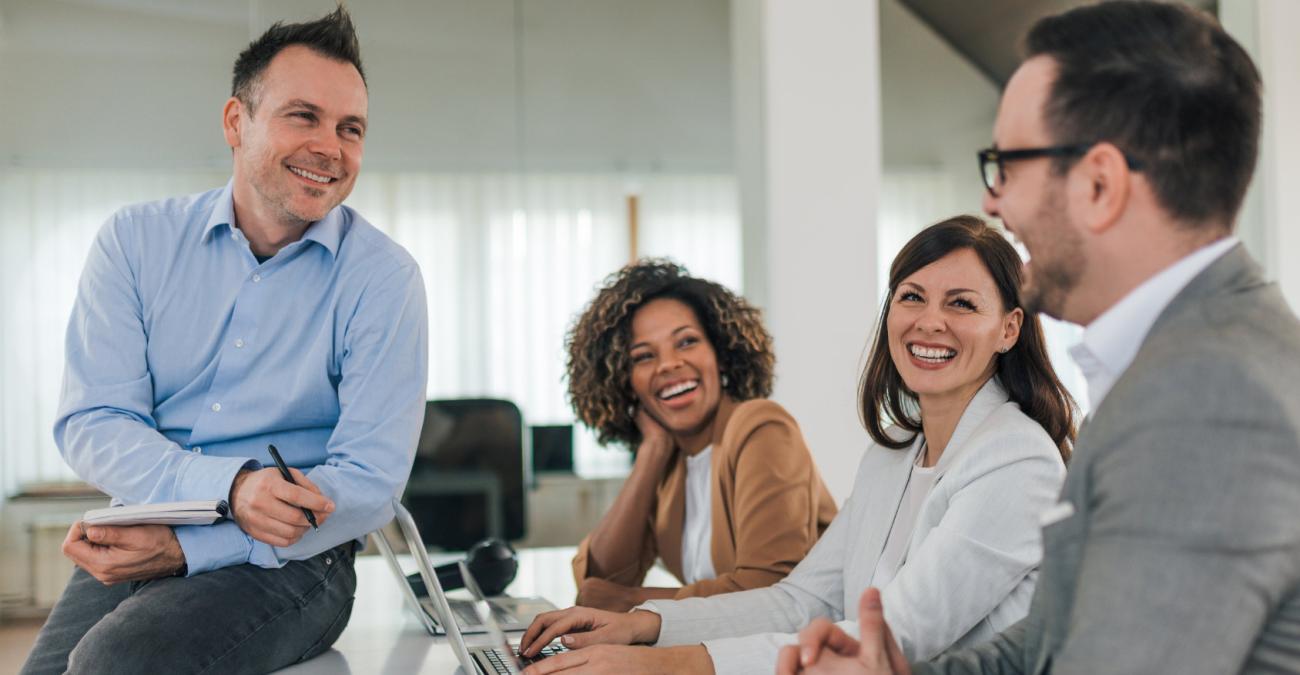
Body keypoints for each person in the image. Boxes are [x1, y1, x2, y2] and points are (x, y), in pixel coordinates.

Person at [782, 3, 1300, 674]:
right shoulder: (1181, 355)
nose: (995, 202)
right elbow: (1056, 635)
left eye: (1008, 165)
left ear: (1099, 184)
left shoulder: (1206, 391)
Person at [21, 8, 428, 674]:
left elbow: (369, 479)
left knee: (113, 662)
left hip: (298, 558)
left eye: (350, 128)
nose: (331, 146)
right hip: (145, 525)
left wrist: (191, 545)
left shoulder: (384, 279)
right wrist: (230, 490)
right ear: (236, 122)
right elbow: (95, 420)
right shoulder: (134, 243)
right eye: (304, 115)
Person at [517, 216, 1076, 674]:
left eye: (961, 304)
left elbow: (895, 640)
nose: (930, 322)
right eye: (912, 297)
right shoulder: (893, 454)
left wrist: (659, 666)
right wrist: (644, 625)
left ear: (1009, 329)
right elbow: (803, 601)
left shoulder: (1015, 460)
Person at [565, 260, 837, 612]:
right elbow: (599, 582)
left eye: (687, 342)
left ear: (720, 354)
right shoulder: (671, 462)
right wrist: (652, 453)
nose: (668, 364)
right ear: (625, 382)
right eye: (644, 356)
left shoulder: (761, 428)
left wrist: (635, 601)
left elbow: (769, 590)